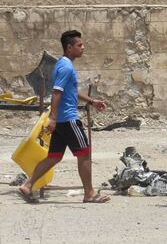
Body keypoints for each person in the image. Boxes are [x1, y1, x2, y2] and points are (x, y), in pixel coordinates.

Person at [19, 30, 110, 204]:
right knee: (84, 153)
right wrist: (52, 118)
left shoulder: (62, 64)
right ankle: (89, 193)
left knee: (54, 156)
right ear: (69, 48)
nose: (83, 48)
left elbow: (71, 90)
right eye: (79, 45)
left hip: (61, 120)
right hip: (68, 119)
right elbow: (56, 93)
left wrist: (92, 101)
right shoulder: (66, 66)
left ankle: (27, 185)